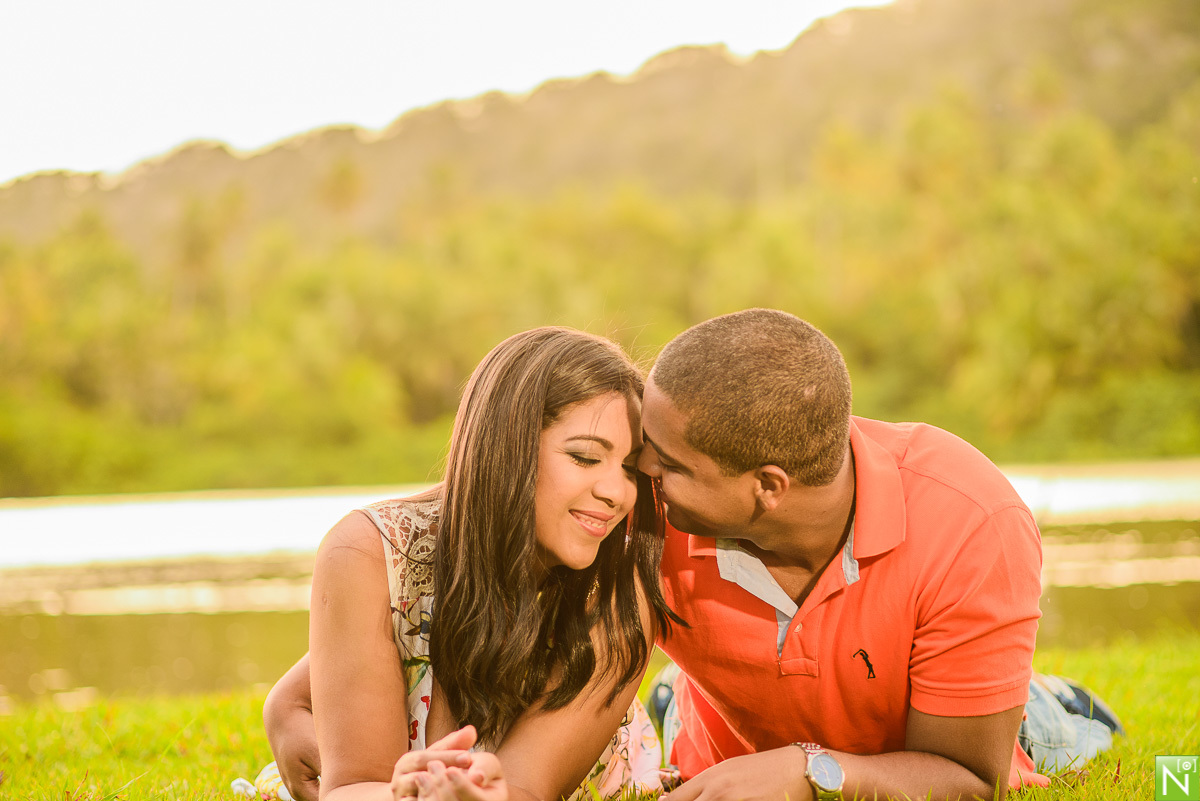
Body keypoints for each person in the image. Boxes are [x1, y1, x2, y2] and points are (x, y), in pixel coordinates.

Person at [635, 308, 1121, 801]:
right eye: (645, 442)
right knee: (676, 699)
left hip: (955, 735)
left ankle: (1051, 697)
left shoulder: (972, 521)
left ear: (767, 486)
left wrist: (810, 771)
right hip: (713, 724)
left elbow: (972, 778)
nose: (642, 465)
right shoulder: (643, 500)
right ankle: (675, 690)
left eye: (669, 463)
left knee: (1049, 725)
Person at [253, 327, 680, 801]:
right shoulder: (369, 554)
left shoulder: (620, 587)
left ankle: (674, 698)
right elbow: (355, 786)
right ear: (507, 446)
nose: (617, 493)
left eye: (629, 468)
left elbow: (524, 788)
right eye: (584, 457)